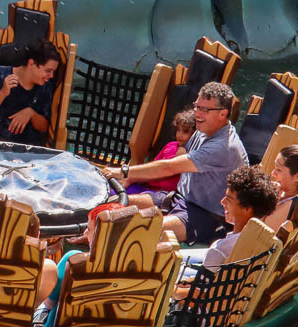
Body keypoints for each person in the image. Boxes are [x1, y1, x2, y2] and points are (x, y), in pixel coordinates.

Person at [104, 81, 248, 246]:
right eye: (196, 107)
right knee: (112, 205)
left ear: (223, 114)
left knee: (136, 231)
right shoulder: (204, 130)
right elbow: (175, 158)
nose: (197, 114)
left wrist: (123, 171)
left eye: (204, 110)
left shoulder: (223, 147)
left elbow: (169, 167)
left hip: (205, 215)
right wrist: (133, 177)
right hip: (178, 198)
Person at [31, 201, 124, 327]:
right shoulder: (145, 267)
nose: (85, 232)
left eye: (90, 229)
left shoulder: (74, 259)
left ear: (101, 236)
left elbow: (50, 303)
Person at [0, 41, 62, 146]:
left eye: (53, 72)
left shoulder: (45, 86)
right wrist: (2, 93)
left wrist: (31, 113)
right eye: (48, 71)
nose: (51, 76)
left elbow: (44, 127)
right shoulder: (0, 74)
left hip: (28, 149)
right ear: (31, 64)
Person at [201, 165, 281, 270]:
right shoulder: (266, 243)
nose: (222, 202)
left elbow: (201, 285)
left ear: (247, 209)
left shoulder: (219, 250)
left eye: (228, 199)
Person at [122, 108, 196, 210]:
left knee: (125, 201)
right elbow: (154, 167)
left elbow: (169, 171)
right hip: (148, 187)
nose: (179, 135)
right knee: (114, 192)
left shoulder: (195, 155)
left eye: (186, 131)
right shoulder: (170, 146)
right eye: (178, 130)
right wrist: (132, 178)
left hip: (166, 195)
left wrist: (182, 155)